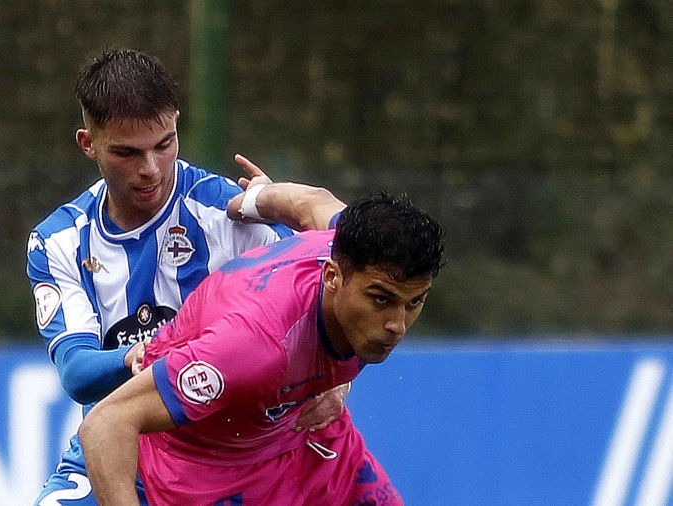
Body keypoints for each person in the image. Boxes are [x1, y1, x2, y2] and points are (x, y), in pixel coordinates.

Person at [26, 49, 348, 506]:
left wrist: (338, 381)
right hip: (124, 443)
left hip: (227, 452)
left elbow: (333, 295)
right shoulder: (59, 240)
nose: (151, 169)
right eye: (127, 152)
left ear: (177, 123)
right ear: (88, 143)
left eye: (164, 143)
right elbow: (77, 372)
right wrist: (148, 356)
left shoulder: (230, 214)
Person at [79, 191, 445, 505]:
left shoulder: (348, 239)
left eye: (414, 303)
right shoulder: (252, 347)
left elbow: (311, 201)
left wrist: (251, 201)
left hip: (299, 435)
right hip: (208, 469)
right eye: (381, 299)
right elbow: (106, 423)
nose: (397, 326)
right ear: (333, 277)